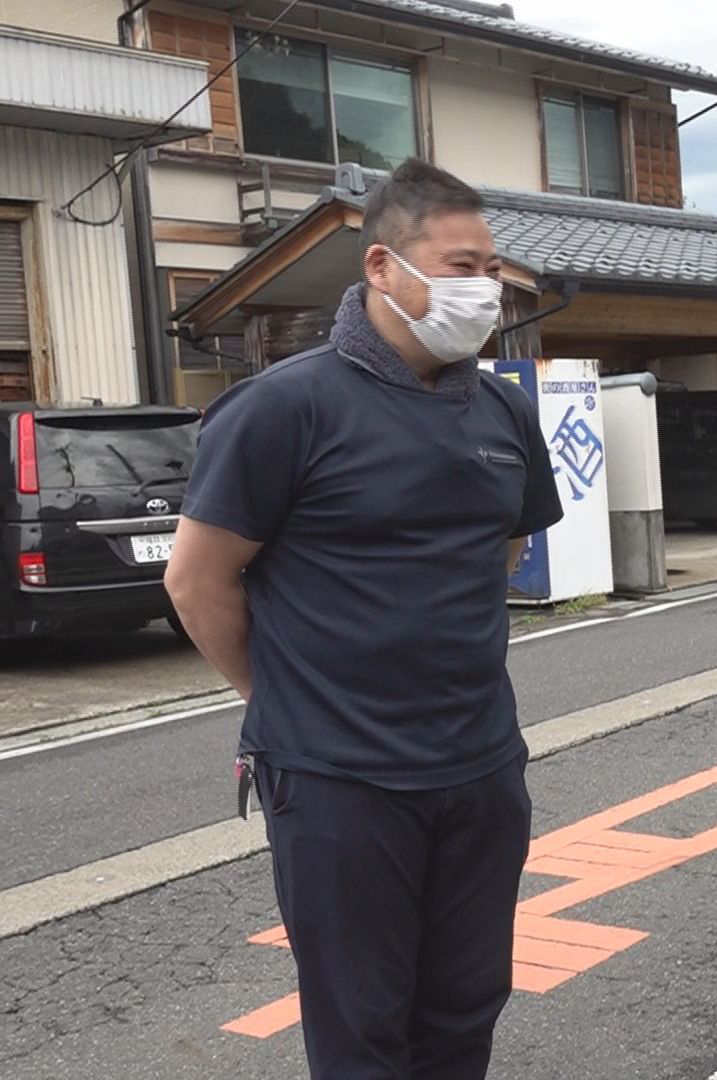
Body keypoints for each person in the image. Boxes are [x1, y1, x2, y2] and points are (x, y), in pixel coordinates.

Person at [166, 159, 563, 1079]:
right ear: (383, 266)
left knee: (465, 1010)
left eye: (491, 268)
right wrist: (283, 697)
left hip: (480, 766)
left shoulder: (501, 409)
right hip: (339, 779)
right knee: (361, 1029)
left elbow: (497, 551)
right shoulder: (285, 407)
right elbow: (197, 580)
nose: (485, 288)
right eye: (461, 265)